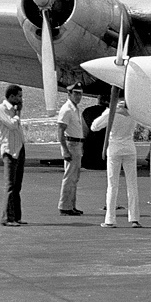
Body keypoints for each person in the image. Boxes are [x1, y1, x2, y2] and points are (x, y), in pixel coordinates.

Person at [90, 99, 141, 228]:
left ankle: (110, 219)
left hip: (114, 148)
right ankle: (134, 218)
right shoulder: (132, 113)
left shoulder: (111, 112)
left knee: (112, 185)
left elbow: (94, 126)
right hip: (129, 147)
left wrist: (108, 112)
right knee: (132, 185)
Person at [0, 84, 26, 227]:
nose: (21, 99)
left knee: (17, 185)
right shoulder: (2, 109)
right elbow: (12, 125)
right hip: (9, 151)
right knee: (10, 185)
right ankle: (7, 217)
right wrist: (18, 114)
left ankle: (16, 216)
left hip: (19, 148)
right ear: (12, 96)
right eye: (19, 96)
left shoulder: (13, 110)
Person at [56, 82, 86, 216]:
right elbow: (60, 130)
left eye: (80, 94)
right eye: (76, 93)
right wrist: (65, 150)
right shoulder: (67, 109)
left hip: (77, 144)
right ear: (69, 94)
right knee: (69, 177)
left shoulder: (74, 108)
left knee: (74, 177)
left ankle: (71, 205)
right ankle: (64, 206)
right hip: (71, 144)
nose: (78, 96)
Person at [80, 94, 109, 170]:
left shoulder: (87, 111)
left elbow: (84, 132)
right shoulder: (111, 112)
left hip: (90, 149)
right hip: (106, 148)